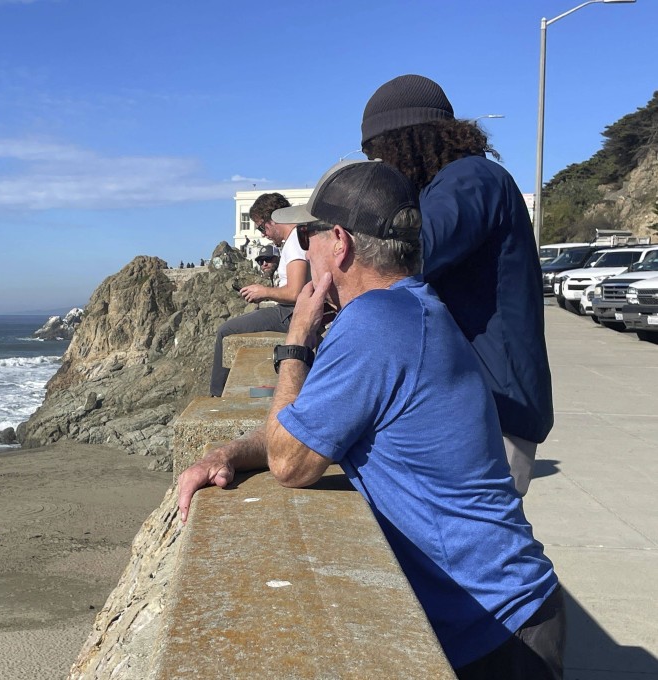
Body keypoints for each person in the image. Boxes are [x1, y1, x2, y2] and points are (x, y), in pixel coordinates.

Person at [178, 160, 564, 679]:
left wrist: (294, 346)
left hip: (496, 627)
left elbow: (291, 463)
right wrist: (226, 453)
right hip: (511, 609)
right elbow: (307, 427)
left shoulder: (375, 323)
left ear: (338, 243)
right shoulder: (412, 308)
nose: (300, 245)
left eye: (307, 233)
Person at [360, 74, 553, 496]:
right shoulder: (453, 184)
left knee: (478, 550)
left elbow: (414, 251)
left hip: (499, 408)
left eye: (379, 153)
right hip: (483, 402)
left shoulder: (470, 179)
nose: (381, 168)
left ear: (404, 141)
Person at [209, 193, 309, 397]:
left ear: (274, 219)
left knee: (226, 331)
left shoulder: (295, 242)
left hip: (290, 314)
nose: (263, 234)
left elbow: (296, 292)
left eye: (262, 227)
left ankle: (217, 396)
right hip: (290, 311)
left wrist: (263, 292)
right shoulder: (298, 238)